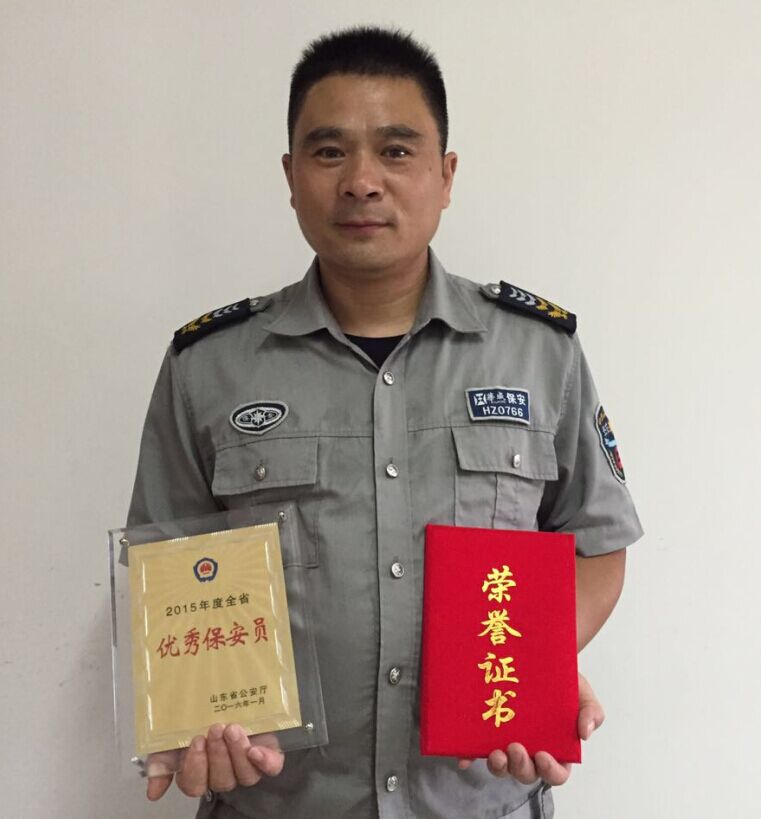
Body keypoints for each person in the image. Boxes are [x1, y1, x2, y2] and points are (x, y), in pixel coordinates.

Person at [127, 25, 643, 819]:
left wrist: (535, 661)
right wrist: (197, 717)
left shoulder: (540, 354)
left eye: (396, 151)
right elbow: (166, 568)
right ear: (291, 176)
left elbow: (598, 542)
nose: (362, 181)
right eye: (330, 152)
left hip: (478, 799)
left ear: (445, 174)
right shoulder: (210, 366)